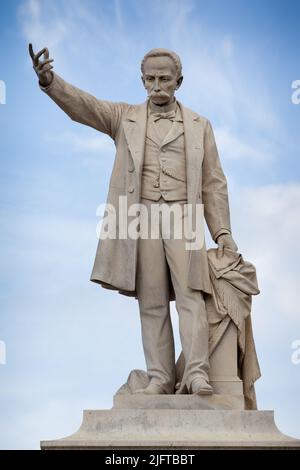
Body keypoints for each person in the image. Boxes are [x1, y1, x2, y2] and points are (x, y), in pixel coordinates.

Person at [29, 45, 238, 395]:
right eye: (150, 79)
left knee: (192, 296)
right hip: (138, 218)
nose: (156, 85)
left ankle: (197, 374)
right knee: (151, 299)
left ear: (179, 81)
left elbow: (214, 182)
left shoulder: (201, 125)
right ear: (142, 80)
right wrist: (50, 80)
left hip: (184, 216)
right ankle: (160, 376)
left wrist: (223, 232)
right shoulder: (123, 117)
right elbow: (85, 106)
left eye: (164, 79)